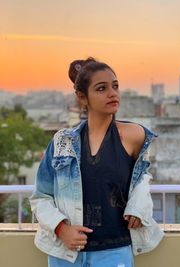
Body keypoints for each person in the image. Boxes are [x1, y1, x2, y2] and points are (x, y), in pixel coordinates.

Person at [29, 57, 164, 267]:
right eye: (101, 88)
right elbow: (40, 197)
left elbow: (142, 178)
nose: (112, 93)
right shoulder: (61, 142)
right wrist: (61, 229)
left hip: (115, 250)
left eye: (115, 86)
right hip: (66, 253)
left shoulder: (134, 136)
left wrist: (139, 208)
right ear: (83, 98)